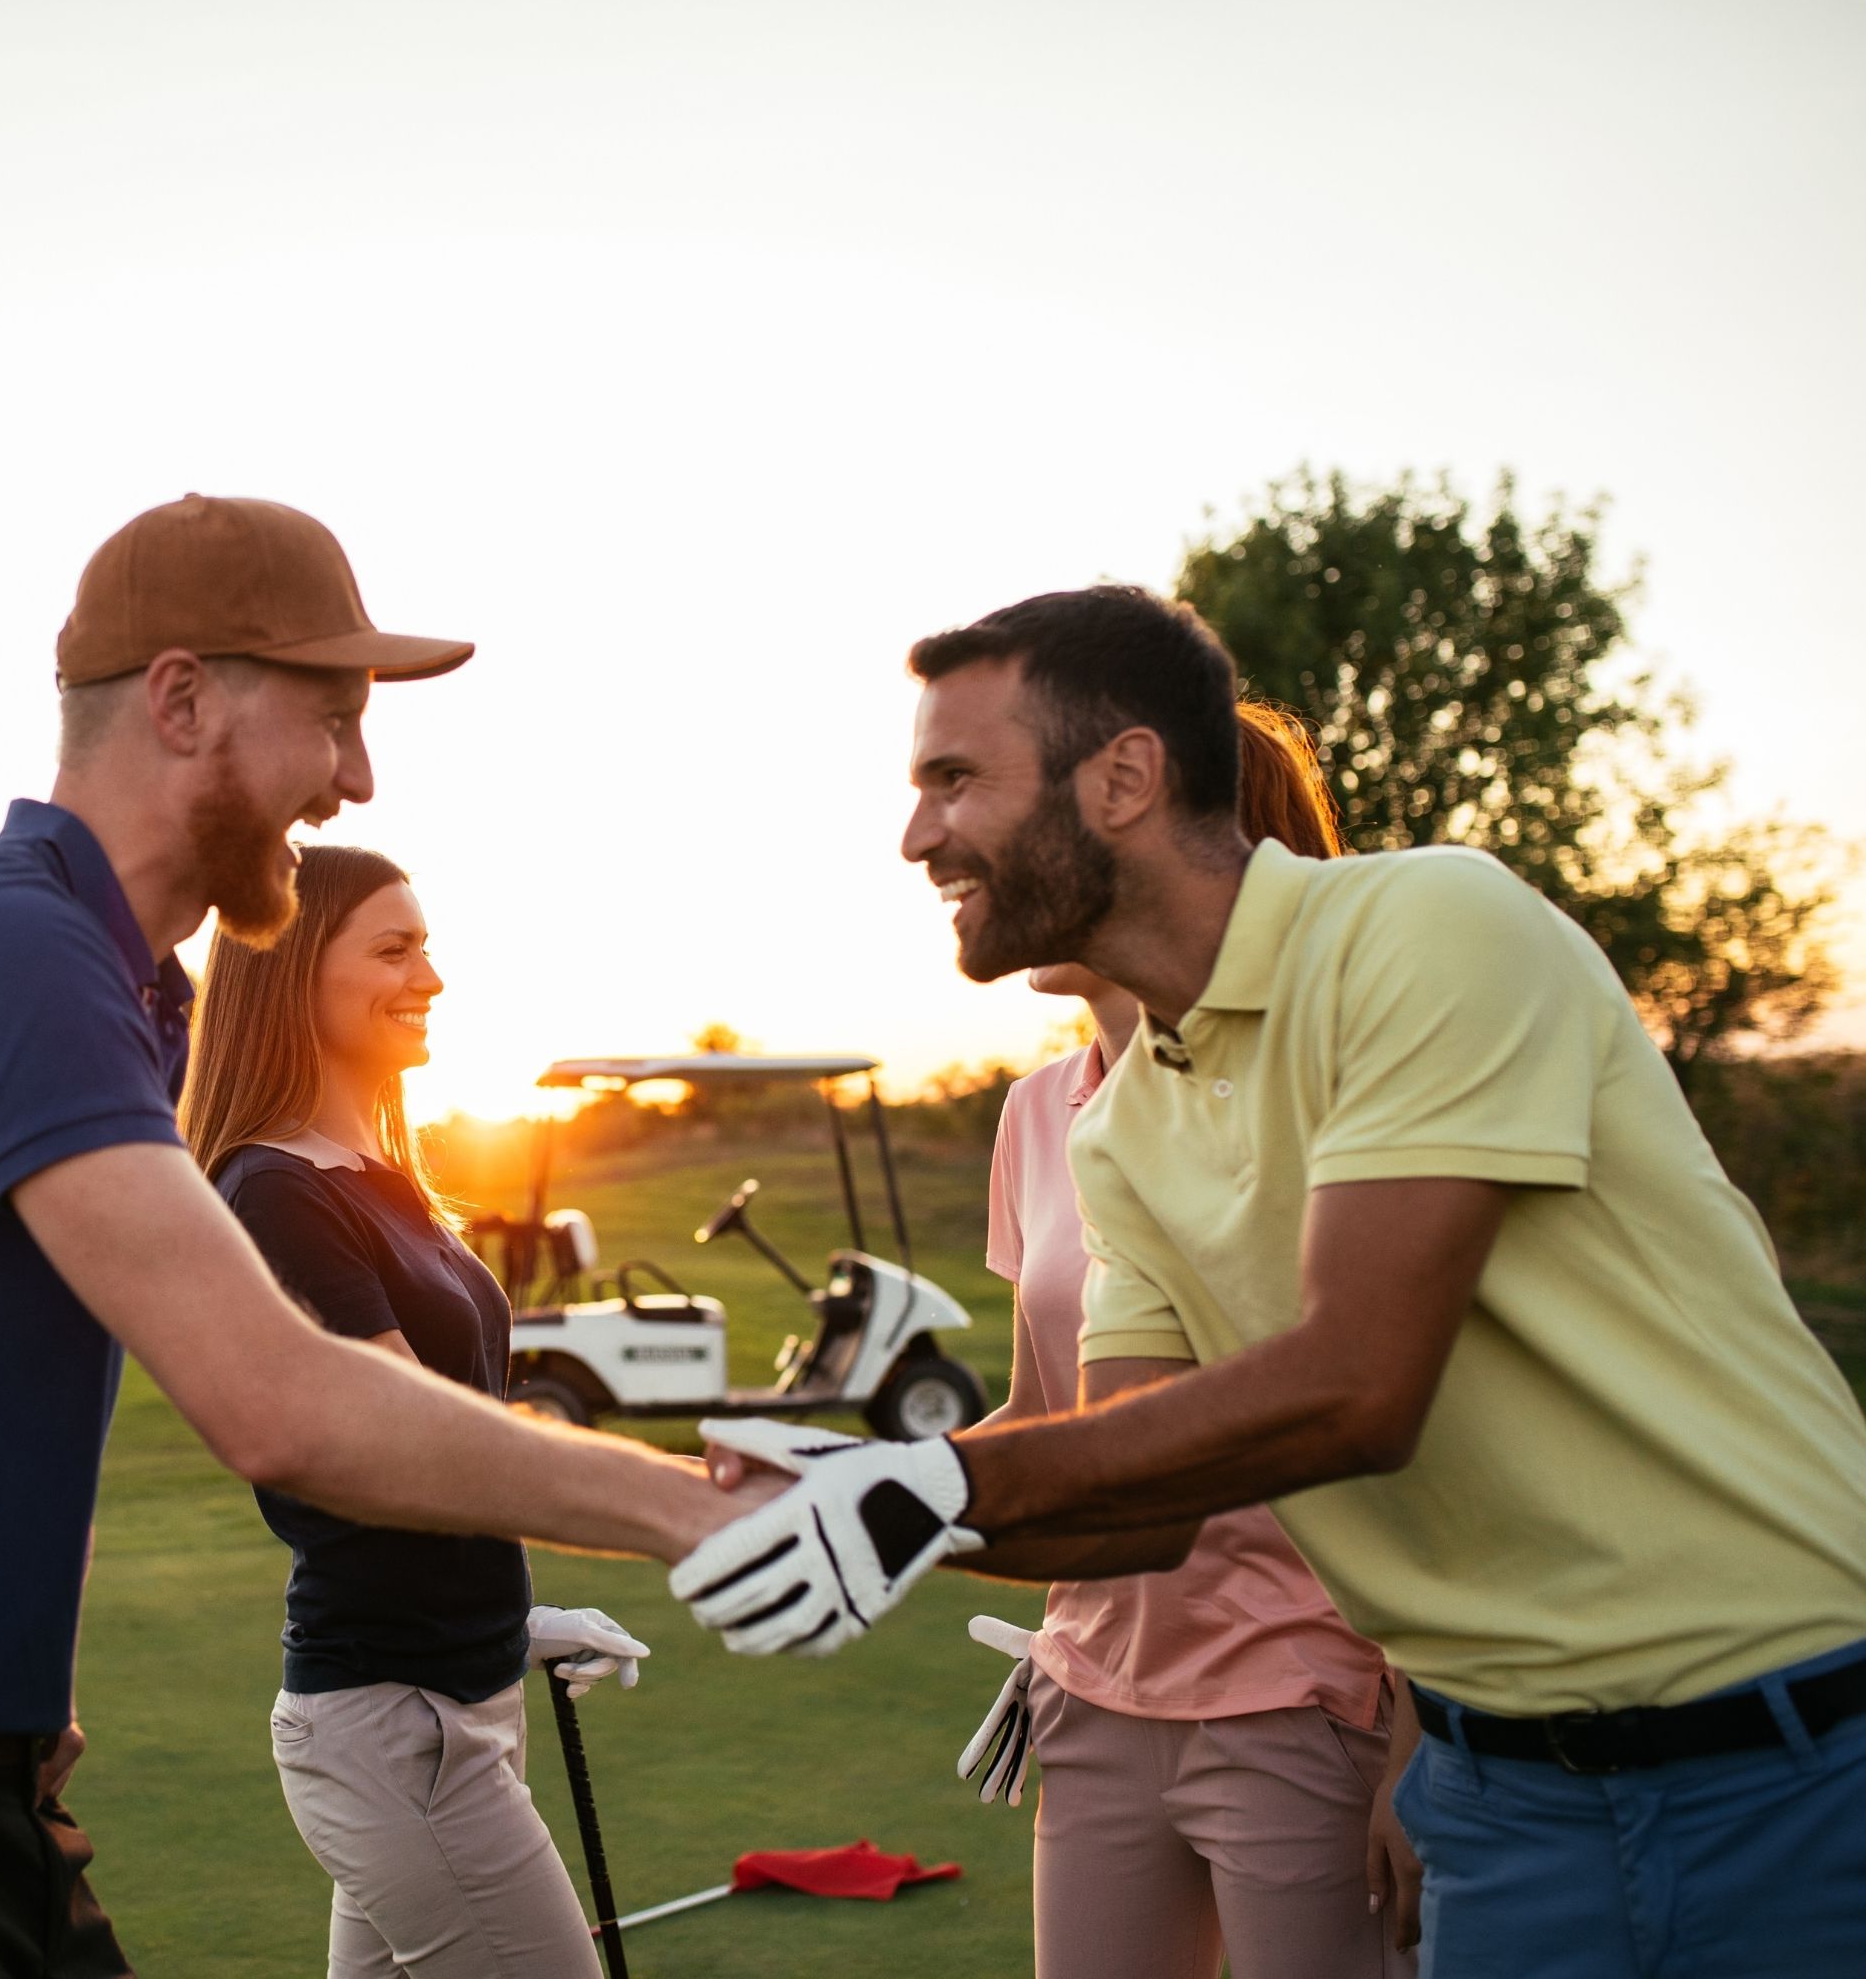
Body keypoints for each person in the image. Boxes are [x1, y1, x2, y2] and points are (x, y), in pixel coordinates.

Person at [0, 495, 763, 1979]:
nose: (356, 777)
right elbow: (280, 1403)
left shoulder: (107, 982)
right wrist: (690, 1509)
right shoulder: (12, 951)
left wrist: (9, 1700)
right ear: (179, 699)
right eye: (331, 719)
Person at [672, 585, 1866, 1977]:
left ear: (1123, 776)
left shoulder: (1426, 925)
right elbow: (1134, 1501)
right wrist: (855, 1485)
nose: (917, 835)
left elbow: (1358, 1387)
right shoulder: (1118, 1130)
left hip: (1791, 1756)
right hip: (1504, 1802)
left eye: (954, 780)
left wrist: (934, 1491)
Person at [970, 701, 1414, 1979]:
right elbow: (1044, 1416)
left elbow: (1404, 1432)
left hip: (1300, 1692)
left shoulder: (1326, 1099)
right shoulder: (1036, 1115)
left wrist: (1419, 1735)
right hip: (1093, 1686)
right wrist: (851, 1489)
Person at [181, 843, 652, 1979]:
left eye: (428, 946)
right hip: (400, 1730)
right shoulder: (275, 1191)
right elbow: (413, 1451)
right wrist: (678, 1503)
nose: (429, 976)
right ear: (293, 973)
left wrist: (513, 1617)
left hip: (451, 1703)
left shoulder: (380, 1176)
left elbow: (441, 1465)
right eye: (394, 948)